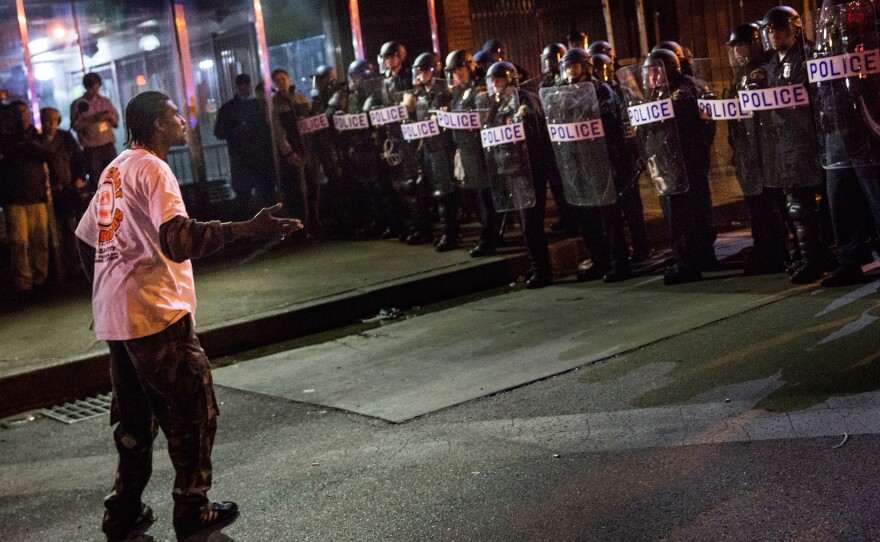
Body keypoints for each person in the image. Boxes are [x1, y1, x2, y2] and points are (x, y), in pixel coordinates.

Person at [75, 91, 301, 542]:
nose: (183, 119)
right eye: (176, 113)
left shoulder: (114, 168)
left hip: (117, 317)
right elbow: (178, 239)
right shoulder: (154, 169)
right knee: (193, 413)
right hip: (156, 314)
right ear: (159, 124)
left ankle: (122, 512)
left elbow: (85, 238)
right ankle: (193, 509)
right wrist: (246, 229)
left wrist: (106, 289)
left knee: (135, 423)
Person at [809, 0, 880, 286]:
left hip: (867, 124)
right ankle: (851, 258)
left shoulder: (872, 34)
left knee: (876, 193)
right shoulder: (826, 42)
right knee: (839, 196)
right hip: (836, 128)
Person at [759, 6, 829, 283]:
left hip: (804, 138)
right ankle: (807, 255)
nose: (775, 35)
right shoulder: (771, 64)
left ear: (794, 28)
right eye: (771, 30)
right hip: (781, 142)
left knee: (805, 202)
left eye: (779, 28)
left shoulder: (806, 55)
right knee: (792, 202)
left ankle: (815, 258)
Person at [555, 48, 631, 282]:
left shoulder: (601, 90)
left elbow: (609, 120)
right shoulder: (560, 93)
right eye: (566, 67)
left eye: (574, 66)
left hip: (600, 159)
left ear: (585, 67)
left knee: (609, 215)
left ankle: (620, 263)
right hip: (576, 162)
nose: (570, 72)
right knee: (586, 216)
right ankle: (600, 261)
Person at [645, 49, 717, 284]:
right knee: (688, 212)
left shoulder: (681, 93)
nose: (653, 77)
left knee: (679, 215)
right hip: (673, 163)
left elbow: (680, 129)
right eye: (651, 73)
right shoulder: (662, 92)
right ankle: (699, 257)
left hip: (680, 164)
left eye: (657, 71)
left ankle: (686, 264)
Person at [724, 23, 789, 275]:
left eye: (743, 45)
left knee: (770, 204)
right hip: (747, 150)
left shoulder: (762, 70)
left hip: (766, 149)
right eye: (735, 46)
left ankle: (775, 252)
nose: (739, 51)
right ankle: (763, 249)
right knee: (756, 205)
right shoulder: (738, 74)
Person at [485, 61, 555, 288]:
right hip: (512, 167)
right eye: (493, 81)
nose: (496, 85)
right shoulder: (497, 103)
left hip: (531, 168)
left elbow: (533, 130)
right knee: (526, 222)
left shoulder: (525, 99)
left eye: (500, 80)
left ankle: (542, 271)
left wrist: (517, 122)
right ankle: (534, 264)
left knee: (530, 222)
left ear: (510, 79)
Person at [592, 52, 652, 261]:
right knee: (611, 209)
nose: (602, 73)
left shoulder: (623, 92)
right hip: (604, 158)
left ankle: (641, 246)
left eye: (604, 68)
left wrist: (638, 153)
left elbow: (636, 125)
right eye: (597, 68)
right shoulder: (593, 94)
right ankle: (618, 251)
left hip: (625, 156)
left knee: (632, 205)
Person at [445, 49, 500, 257]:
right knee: (477, 195)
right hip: (467, 148)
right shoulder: (460, 91)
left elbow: (484, 118)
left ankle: (490, 238)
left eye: (457, 69)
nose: (454, 74)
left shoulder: (480, 89)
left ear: (468, 67)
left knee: (486, 197)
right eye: (451, 71)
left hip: (480, 150)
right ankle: (489, 235)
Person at [1, 100, 52, 298]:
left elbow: (47, 154)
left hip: (36, 195)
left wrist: (27, 143)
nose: (22, 116)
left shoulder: (34, 136)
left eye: (24, 112)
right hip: (14, 197)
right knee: (19, 242)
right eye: (18, 112)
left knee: (40, 239)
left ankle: (42, 279)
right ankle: (24, 282)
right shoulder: (6, 137)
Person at [213, 73, 276, 220]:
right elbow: (219, 132)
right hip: (249, 158)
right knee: (252, 195)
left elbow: (219, 132)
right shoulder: (258, 105)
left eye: (245, 85)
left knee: (255, 194)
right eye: (242, 85)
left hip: (249, 158)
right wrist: (237, 131)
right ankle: (260, 227)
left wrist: (235, 132)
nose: (244, 88)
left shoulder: (229, 108)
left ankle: (256, 228)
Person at [39, 106, 87, 283]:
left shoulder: (65, 138)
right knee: (52, 232)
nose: (49, 124)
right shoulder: (37, 140)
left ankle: (75, 267)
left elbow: (79, 159)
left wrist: (80, 177)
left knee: (70, 228)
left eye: (52, 120)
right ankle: (58, 271)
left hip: (67, 192)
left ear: (57, 121)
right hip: (47, 194)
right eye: (46, 120)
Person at [270, 68, 309, 225]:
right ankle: (299, 224)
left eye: (283, 79)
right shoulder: (275, 103)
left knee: (311, 187)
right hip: (291, 151)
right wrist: (288, 151)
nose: (280, 82)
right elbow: (278, 130)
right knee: (295, 189)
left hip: (306, 148)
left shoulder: (300, 98)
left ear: (289, 79)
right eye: (277, 80)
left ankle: (313, 223)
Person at [71, 72, 119, 192]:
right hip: (92, 149)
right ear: (86, 88)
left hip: (108, 145)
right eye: (91, 88)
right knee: (98, 180)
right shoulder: (79, 104)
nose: (94, 91)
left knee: (114, 176)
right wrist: (94, 118)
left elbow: (115, 122)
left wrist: (108, 117)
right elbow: (75, 126)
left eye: (96, 88)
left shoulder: (105, 102)